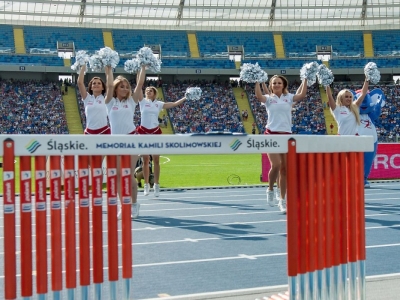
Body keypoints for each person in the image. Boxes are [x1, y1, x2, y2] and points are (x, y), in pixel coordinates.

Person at [255, 75, 308, 213]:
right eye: (274, 83)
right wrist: (256, 80)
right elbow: (259, 96)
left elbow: (301, 95)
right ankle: (271, 189)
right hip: (271, 135)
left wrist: (305, 79)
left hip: (286, 135)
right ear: (271, 85)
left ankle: (282, 200)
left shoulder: (289, 97)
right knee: (276, 165)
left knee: (285, 169)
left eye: (279, 83)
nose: (277, 85)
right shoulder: (269, 99)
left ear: (283, 85)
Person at [135, 65, 187, 197]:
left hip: (155, 132)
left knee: (156, 159)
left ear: (154, 93)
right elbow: (138, 84)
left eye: (150, 91)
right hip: (143, 132)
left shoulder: (158, 104)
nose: (147, 92)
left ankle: (156, 185)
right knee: (145, 160)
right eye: (146, 91)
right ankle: (146, 184)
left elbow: (174, 104)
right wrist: (142, 69)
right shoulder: (141, 102)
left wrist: (186, 97)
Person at [105, 73, 141, 219]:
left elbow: (140, 84)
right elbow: (108, 85)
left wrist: (143, 67)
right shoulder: (110, 102)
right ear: (115, 88)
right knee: (119, 176)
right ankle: (123, 206)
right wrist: (108, 69)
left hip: (131, 139)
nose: (125, 89)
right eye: (122, 86)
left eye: (127, 87)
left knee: (128, 174)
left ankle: (134, 204)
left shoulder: (131, 102)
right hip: (115, 142)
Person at [77, 64, 111, 135]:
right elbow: (80, 83)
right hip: (88, 132)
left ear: (103, 87)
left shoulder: (106, 98)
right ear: (91, 87)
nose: (96, 84)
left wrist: (107, 67)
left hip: (104, 132)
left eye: (99, 83)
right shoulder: (87, 98)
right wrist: (83, 65)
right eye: (94, 83)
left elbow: (110, 85)